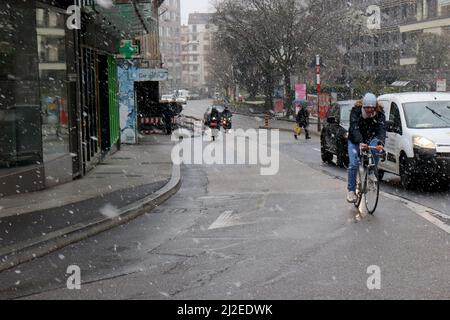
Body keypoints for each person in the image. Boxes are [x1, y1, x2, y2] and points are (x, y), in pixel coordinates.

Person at [346, 93, 386, 203]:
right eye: (367, 108)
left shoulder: (380, 113)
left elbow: (382, 129)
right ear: (363, 106)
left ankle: (371, 172)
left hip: (371, 138)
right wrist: (360, 141)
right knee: (353, 164)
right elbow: (354, 127)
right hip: (355, 140)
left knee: (376, 148)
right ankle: (351, 191)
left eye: (371, 108)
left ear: (375, 107)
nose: (369, 110)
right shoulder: (356, 112)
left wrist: (380, 143)